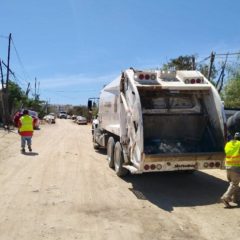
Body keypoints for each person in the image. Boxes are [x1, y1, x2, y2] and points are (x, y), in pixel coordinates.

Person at [221, 132, 240, 207]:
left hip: (228, 166)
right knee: (234, 184)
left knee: (233, 183)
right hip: (236, 167)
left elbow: (227, 152)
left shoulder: (228, 144)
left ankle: (236, 199)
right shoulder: (239, 144)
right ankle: (225, 197)